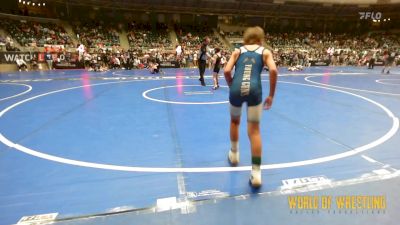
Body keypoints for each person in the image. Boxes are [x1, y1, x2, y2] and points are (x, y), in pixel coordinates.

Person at [224, 26, 278, 188]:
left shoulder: (237, 51)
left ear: (245, 40)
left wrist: (232, 85)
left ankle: (234, 155)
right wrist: (271, 95)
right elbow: (273, 70)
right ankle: (256, 174)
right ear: (260, 40)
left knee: (235, 122)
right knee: (254, 130)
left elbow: (227, 70)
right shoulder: (265, 52)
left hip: (236, 90)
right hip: (254, 91)